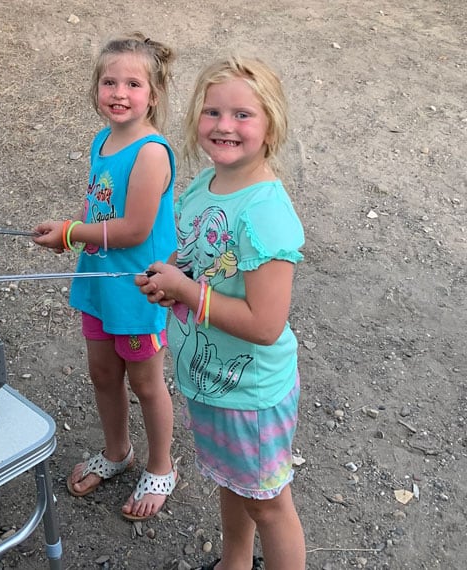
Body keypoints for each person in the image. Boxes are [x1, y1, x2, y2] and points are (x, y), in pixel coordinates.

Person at [136, 55, 306, 569]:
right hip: (210, 380)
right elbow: (192, 255)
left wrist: (187, 294)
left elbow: (265, 323)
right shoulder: (204, 184)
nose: (224, 126)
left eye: (242, 115)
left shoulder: (265, 215)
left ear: (270, 124)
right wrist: (169, 276)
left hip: (249, 393)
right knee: (231, 481)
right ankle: (234, 561)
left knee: (270, 504)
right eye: (212, 112)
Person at [32, 32, 178, 521]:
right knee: (102, 373)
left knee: (146, 382)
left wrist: (73, 233)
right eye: (109, 81)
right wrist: (75, 230)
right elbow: (100, 205)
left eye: (133, 83)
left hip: (136, 291)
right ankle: (119, 452)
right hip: (99, 282)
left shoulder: (152, 152)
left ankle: (161, 465)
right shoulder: (102, 139)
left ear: (153, 94)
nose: (119, 92)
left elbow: (136, 228)